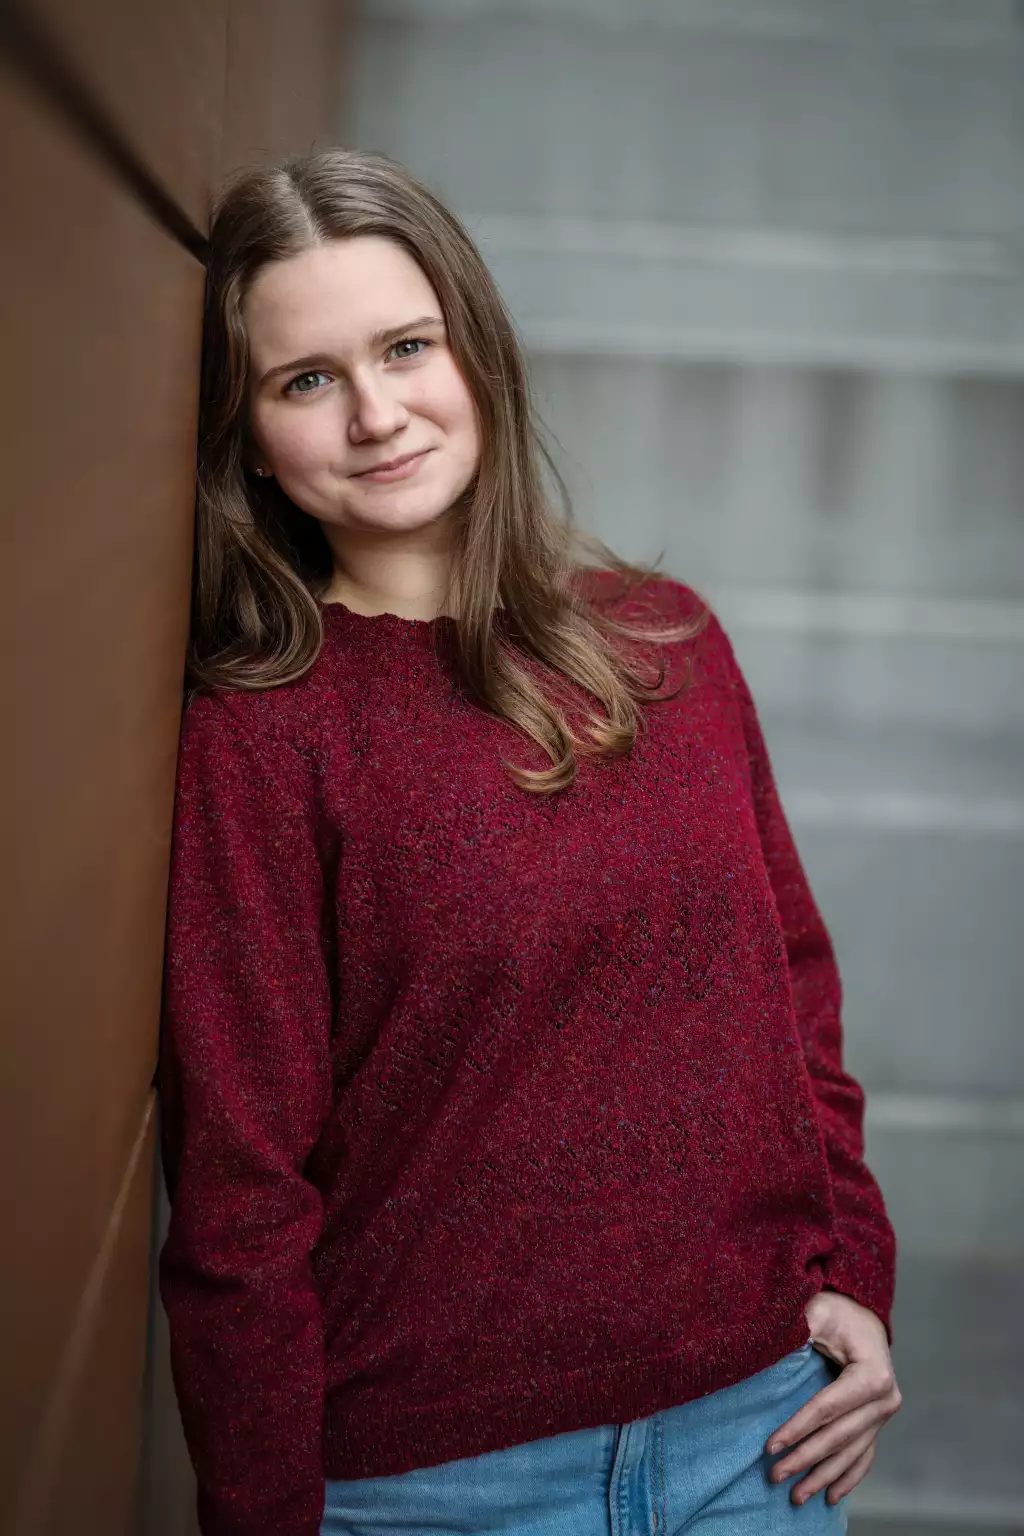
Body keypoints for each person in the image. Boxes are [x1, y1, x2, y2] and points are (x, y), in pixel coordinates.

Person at [155, 148, 901, 1536]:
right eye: (305, 380)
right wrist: (262, 1509)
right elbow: (238, 1187)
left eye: (407, 347)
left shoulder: (669, 640)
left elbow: (792, 997)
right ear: (248, 438)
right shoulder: (264, 737)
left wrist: (854, 1262)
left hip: (758, 1435)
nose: (377, 413)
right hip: (438, 1485)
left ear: (477, 353)